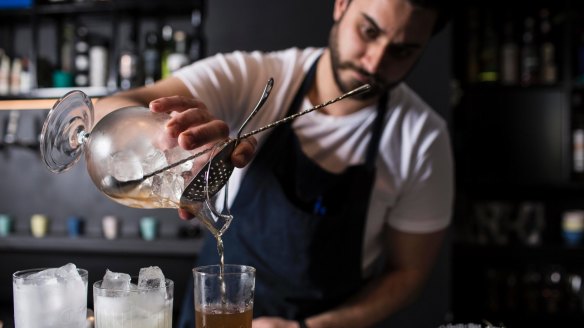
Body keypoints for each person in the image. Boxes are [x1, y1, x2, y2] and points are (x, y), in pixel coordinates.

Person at [95, 0, 453, 327]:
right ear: (342, 5)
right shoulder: (255, 77)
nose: (375, 62)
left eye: (402, 50)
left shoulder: (422, 138)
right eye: (369, 31)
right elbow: (108, 107)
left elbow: (408, 274)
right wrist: (165, 132)